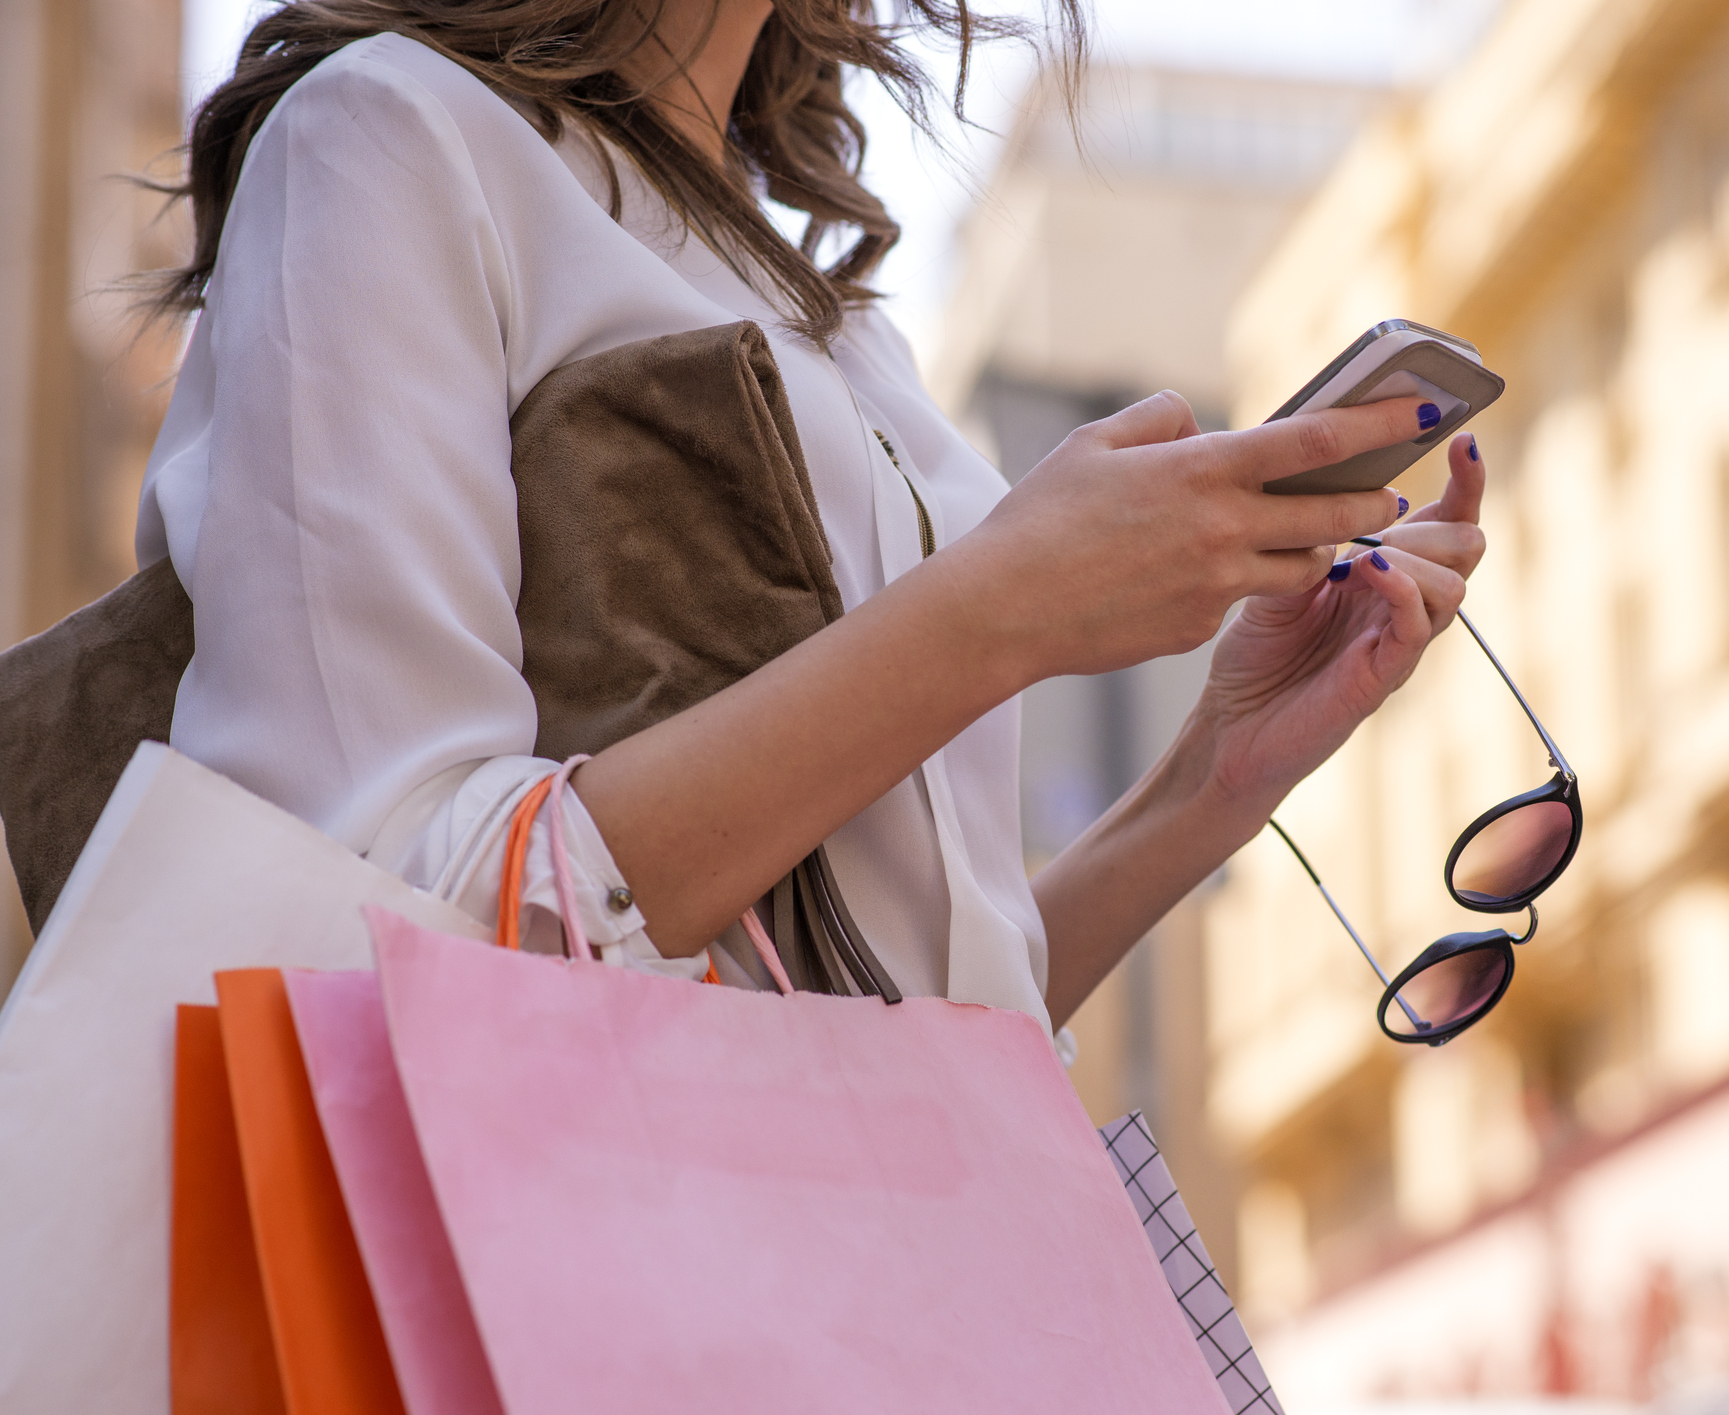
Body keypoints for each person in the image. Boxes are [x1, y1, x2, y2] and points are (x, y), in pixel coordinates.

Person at [138, 0, 1487, 1037]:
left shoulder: (837, 328)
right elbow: (368, 914)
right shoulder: (387, 135)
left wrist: (1213, 779)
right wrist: (999, 613)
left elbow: (925, 1024)